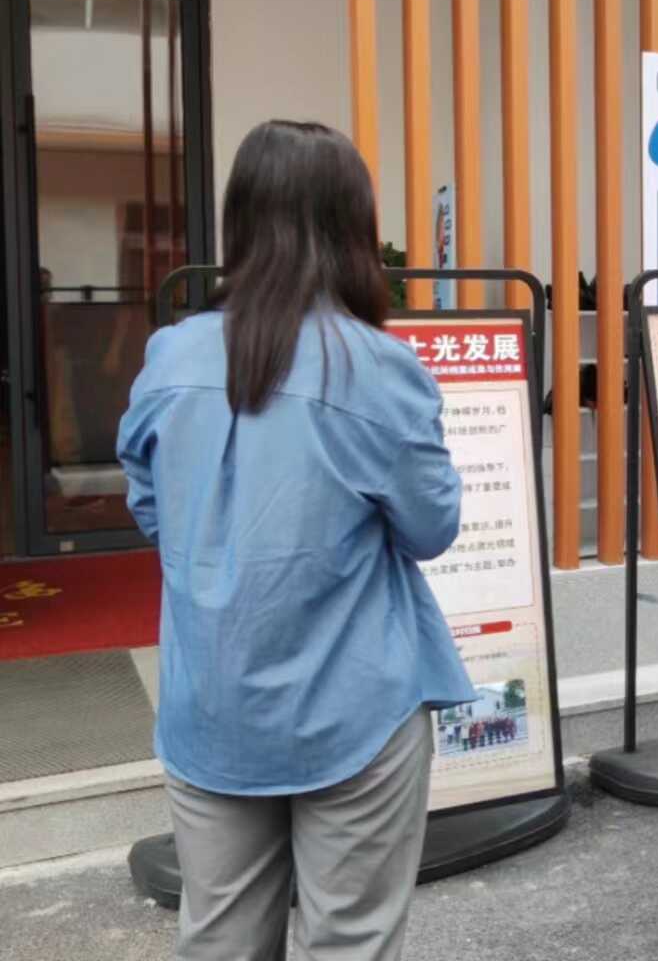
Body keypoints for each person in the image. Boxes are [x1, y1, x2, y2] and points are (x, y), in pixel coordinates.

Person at [117, 120, 471, 960]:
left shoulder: (171, 356)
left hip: (210, 702)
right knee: (348, 938)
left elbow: (151, 505)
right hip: (355, 703)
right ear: (353, 228)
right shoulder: (377, 369)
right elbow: (431, 528)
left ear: (239, 221)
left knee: (219, 937)